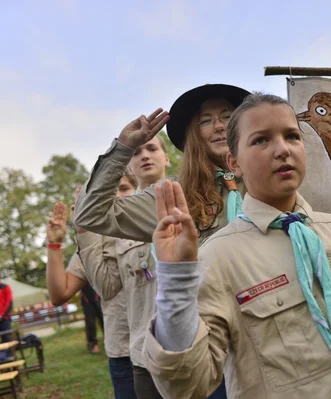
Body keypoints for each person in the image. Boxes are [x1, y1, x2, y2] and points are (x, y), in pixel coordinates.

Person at [142, 92, 331, 398]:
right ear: (235, 162)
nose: (282, 149)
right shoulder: (218, 258)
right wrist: (176, 279)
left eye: (292, 136)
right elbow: (186, 385)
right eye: (261, 140)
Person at [73, 83, 250, 399]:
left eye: (227, 115)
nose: (220, 125)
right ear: (193, 134)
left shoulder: (266, 185)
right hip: (191, 355)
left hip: (253, 354)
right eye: (206, 120)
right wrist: (123, 147)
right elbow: (90, 215)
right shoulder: (173, 196)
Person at [76, 135, 169, 399]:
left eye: (152, 148)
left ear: (168, 157)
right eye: (137, 152)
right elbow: (107, 286)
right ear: (129, 165)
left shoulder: (193, 199)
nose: (145, 156)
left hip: (194, 343)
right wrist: (85, 232)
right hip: (144, 353)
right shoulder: (116, 219)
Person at [46, 172, 138, 399]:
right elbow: (59, 294)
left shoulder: (151, 226)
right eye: (107, 193)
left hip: (161, 344)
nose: (116, 196)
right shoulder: (92, 241)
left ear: (138, 190)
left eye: (124, 188)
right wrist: (54, 244)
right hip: (123, 353)